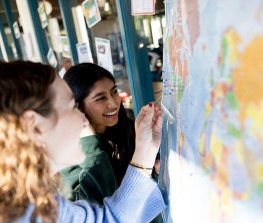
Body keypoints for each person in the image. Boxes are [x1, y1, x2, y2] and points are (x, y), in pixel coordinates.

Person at [0, 60, 166, 223]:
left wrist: (145, 148)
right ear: (34, 125)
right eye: (72, 107)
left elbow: (111, 219)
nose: (84, 121)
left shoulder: (37, 204)